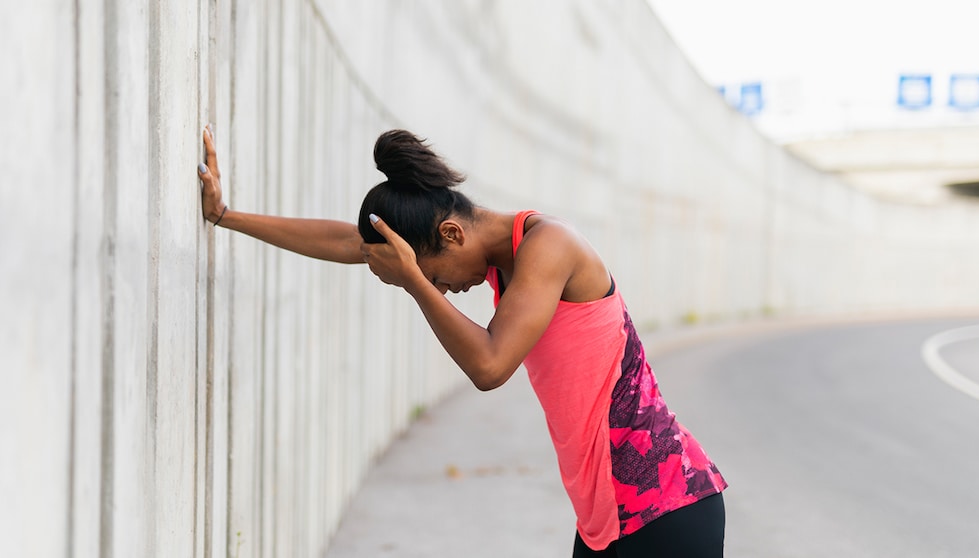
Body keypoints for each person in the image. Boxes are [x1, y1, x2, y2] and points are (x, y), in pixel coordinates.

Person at [197, 126, 728, 557]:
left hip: (666, 506)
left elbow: (490, 367)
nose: (444, 287)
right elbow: (348, 242)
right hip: (608, 515)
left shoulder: (551, 246)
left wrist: (415, 283)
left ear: (451, 234)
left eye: (437, 275)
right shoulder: (504, 258)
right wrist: (225, 216)